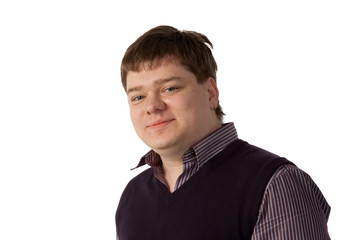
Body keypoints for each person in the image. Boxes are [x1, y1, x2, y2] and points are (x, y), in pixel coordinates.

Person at [115, 25, 331, 240]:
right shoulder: (132, 195)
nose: (152, 106)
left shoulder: (275, 183)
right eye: (138, 97)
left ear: (210, 93)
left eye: (170, 88)